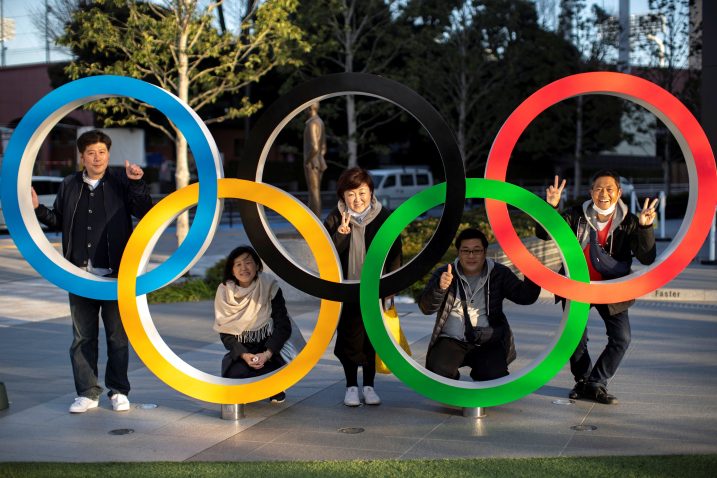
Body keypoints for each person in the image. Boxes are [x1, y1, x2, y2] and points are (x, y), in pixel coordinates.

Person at [33, 129, 153, 413]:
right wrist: (38, 209)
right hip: (79, 274)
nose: (97, 157)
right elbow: (58, 221)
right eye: (90, 153)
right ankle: (87, 392)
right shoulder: (69, 184)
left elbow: (145, 212)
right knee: (82, 338)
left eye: (101, 152)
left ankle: (118, 390)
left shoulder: (122, 182)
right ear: (82, 157)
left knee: (117, 336)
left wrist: (137, 184)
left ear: (108, 154)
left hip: (115, 275)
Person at [537, 170, 658, 404]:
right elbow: (543, 234)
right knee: (575, 338)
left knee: (621, 338)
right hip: (577, 287)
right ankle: (583, 382)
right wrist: (549, 208)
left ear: (619, 193)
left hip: (613, 288)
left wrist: (645, 227)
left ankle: (596, 382)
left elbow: (647, 257)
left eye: (609, 189)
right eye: (598, 189)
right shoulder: (575, 215)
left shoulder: (630, 221)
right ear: (591, 192)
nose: (604, 194)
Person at [418, 228, 540, 382]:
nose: (471, 256)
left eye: (476, 251)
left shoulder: (499, 273)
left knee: (494, 379)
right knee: (439, 378)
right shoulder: (444, 273)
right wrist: (440, 288)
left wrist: (532, 273)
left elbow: (525, 297)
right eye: (465, 251)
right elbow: (426, 308)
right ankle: (451, 379)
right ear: (458, 253)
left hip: (487, 341)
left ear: (485, 252)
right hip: (451, 339)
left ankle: (483, 374)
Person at [324, 167, 401, 407]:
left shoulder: (384, 217)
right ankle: (350, 386)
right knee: (348, 338)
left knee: (371, 338)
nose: (357, 199)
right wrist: (341, 235)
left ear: (371, 192)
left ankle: (369, 386)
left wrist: (392, 285)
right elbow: (325, 257)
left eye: (362, 193)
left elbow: (395, 254)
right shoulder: (334, 218)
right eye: (351, 194)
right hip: (346, 290)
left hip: (375, 289)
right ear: (342, 196)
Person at [214, 245, 290, 403]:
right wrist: (244, 355)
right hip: (242, 349)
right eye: (238, 264)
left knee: (272, 380)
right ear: (232, 270)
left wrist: (267, 354)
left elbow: (283, 325)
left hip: (268, 347)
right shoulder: (224, 292)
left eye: (248, 262)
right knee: (235, 378)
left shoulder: (269, 286)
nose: (244, 268)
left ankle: (274, 383)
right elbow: (226, 333)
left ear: (257, 265)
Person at [303, 101, 328, 217]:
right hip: (319, 161)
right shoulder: (320, 122)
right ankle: (310, 221)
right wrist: (319, 158)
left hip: (312, 163)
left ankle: (316, 224)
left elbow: (315, 147)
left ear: (309, 108)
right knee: (313, 193)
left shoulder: (312, 124)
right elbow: (323, 148)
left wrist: (307, 160)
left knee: (314, 193)